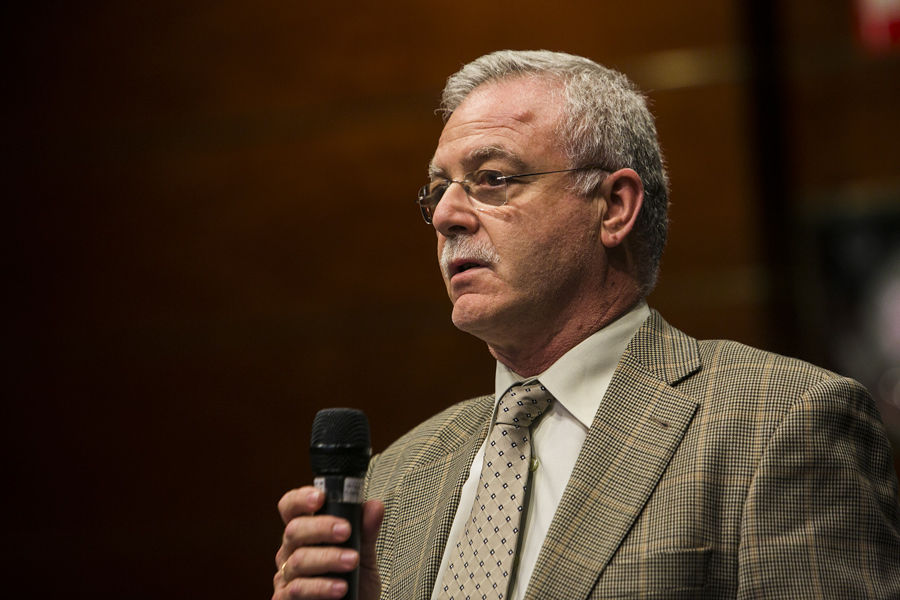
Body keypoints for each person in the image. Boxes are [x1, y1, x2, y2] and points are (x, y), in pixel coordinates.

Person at [273, 50, 900, 599]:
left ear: (614, 207)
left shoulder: (780, 421)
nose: (446, 215)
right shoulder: (397, 476)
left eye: (492, 180)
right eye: (438, 190)